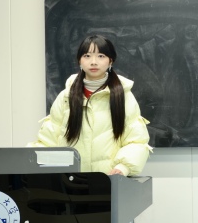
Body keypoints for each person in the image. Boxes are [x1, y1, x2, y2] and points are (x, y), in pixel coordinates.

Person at [29, 35, 151, 176]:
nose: (93, 62)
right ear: (79, 61)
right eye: (87, 56)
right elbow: (47, 140)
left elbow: (136, 140)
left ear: (110, 61)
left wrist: (123, 168)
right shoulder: (66, 97)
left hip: (108, 180)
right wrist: (28, 160)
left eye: (101, 56)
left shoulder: (123, 96)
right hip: (69, 181)